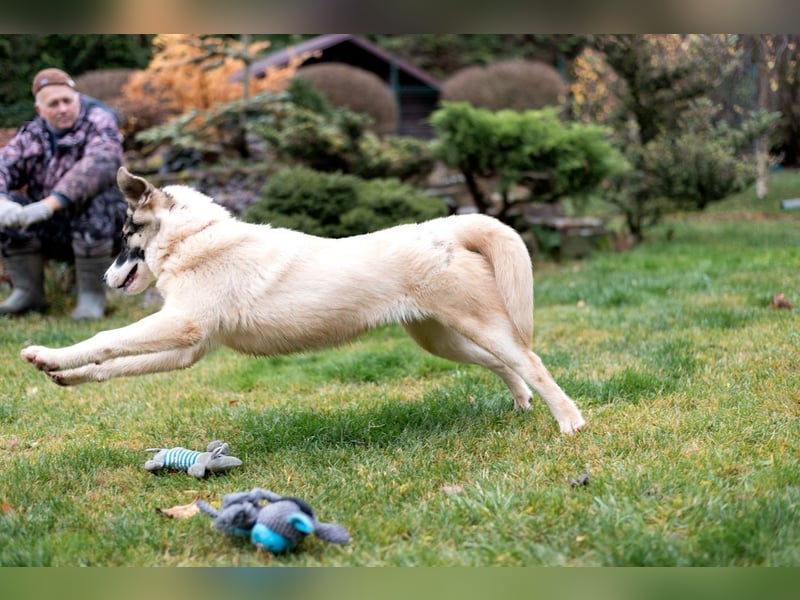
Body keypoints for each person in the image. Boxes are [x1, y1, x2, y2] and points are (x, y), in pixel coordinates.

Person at [0, 67, 126, 320]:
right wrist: (2, 203)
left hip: (105, 230)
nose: (62, 108)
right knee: (10, 208)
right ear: (40, 110)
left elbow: (100, 163)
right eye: (54, 104)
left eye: (67, 101)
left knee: (96, 201)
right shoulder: (32, 134)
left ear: (77, 99)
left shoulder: (99, 122)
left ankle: (92, 296)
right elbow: (5, 164)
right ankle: (29, 293)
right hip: (50, 228)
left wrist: (50, 204)